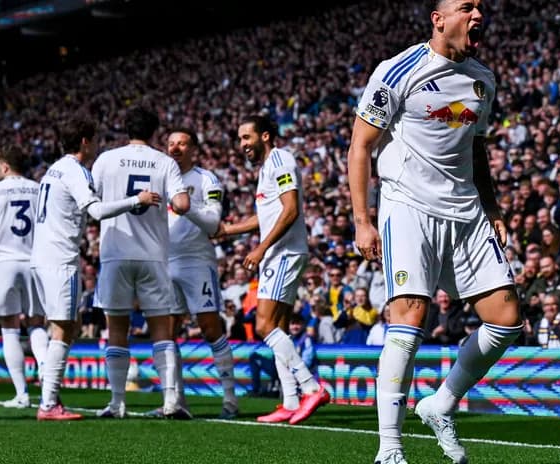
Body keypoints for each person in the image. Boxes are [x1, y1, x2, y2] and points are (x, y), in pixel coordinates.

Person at [348, 2, 520, 462]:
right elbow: (360, 145)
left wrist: (493, 206)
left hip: (466, 210)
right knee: (409, 317)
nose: (477, 13)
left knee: (506, 319)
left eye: (481, 6)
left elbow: (476, 148)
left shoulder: (483, 78)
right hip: (407, 205)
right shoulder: (399, 69)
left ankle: (440, 403)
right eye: (466, 6)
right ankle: (389, 448)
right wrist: (363, 220)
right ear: (438, 18)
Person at [31, 119, 162, 421]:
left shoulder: (52, 170)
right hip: (61, 258)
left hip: (40, 255)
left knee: (59, 325)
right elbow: (96, 210)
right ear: (85, 142)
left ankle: (49, 391)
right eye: (95, 140)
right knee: (65, 327)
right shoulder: (75, 172)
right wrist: (135, 200)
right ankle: (49, 404)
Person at [216, 115, 329, 424]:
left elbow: (291, 210)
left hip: (283, 254)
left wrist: (261, 248)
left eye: (246, 138)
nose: (242, 145)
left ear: (265, 136)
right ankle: (291, 402)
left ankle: (311, 387)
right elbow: (266, 217)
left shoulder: (280, 159)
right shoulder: (267, 168)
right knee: (276, 327)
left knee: (264, 326)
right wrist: (229, 230)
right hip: (279, 254)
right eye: (240, 139)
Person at [90, 109, 190, 420]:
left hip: (115, 252)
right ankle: (171, 401)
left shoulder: (106, 159)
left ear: (125, 128)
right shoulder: (165, 162)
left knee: (117, 328)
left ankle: (117, 402)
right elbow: (182, 205)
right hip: (153, 255)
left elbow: (91, 201)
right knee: (162, 328)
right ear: (154, 131)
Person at [165, 127, 238, 419]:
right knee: (166, 333)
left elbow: (212, 224)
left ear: (193, 149)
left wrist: (186, 208)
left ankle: (230, 401)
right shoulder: (159, 179)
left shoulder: (206, 179)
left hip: (196, 261)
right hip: (163, 262)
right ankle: (176, 402)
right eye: (171, 143)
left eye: (182, 143)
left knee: (210, 328)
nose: (175, 148)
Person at [0, 145, 49, 409]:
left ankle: (22, 394)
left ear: (5, 166)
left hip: (4, 262)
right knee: (37, 323)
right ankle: (46, 378)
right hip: (35, 262)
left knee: (10, 329)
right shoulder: (39, 189)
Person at [248, 313, 315, 397]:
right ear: (288, 325)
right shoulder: (285, 337)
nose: (295, 327)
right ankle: (256, 390)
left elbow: (307, 360)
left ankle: (273, 390)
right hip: (280, 368)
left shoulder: (306, 339)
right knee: (254, 357)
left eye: (298, 324)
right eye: (293, 324)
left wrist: (294, 371)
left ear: (303, 325)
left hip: (295, 371)